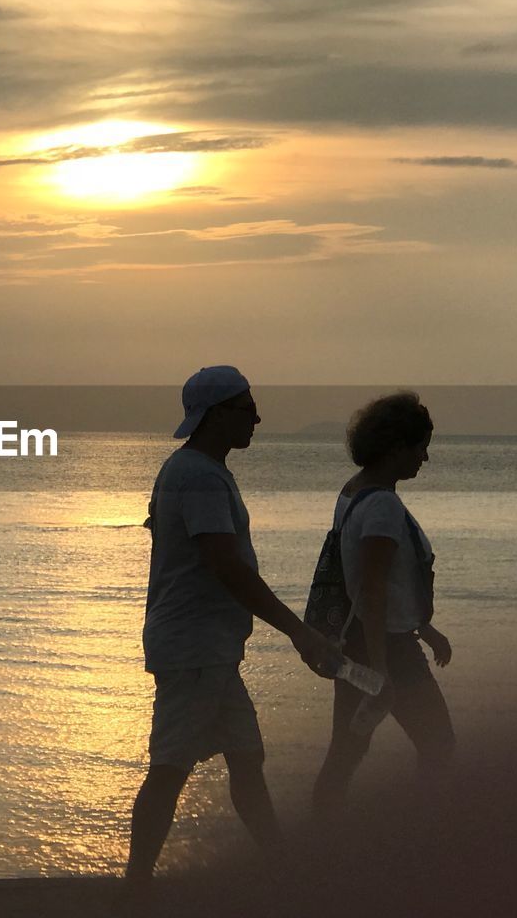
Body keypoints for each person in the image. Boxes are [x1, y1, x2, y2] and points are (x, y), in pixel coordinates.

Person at [121, 366, 343, 911]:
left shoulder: (197, 472)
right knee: (170, 767)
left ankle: (280, 871)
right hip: (194, 649)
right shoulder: (197, 476)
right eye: (247, 407)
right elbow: (228, 567)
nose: (258, 417)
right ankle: (135, 889)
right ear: (218, 414)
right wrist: (300, 632)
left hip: (211, 649)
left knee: (246, 759)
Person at [311, 391, 455, 815]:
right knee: (438, 743)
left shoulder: (352, 491)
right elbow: (372, 589)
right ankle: (420, 831)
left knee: (348, 748)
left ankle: (320, 836)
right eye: (420, 447)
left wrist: (424, 627)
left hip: (359, 640)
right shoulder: (383, 507)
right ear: (396, 448)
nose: (424, 458)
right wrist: (380, 669)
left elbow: (370, 581)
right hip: (384, 647)